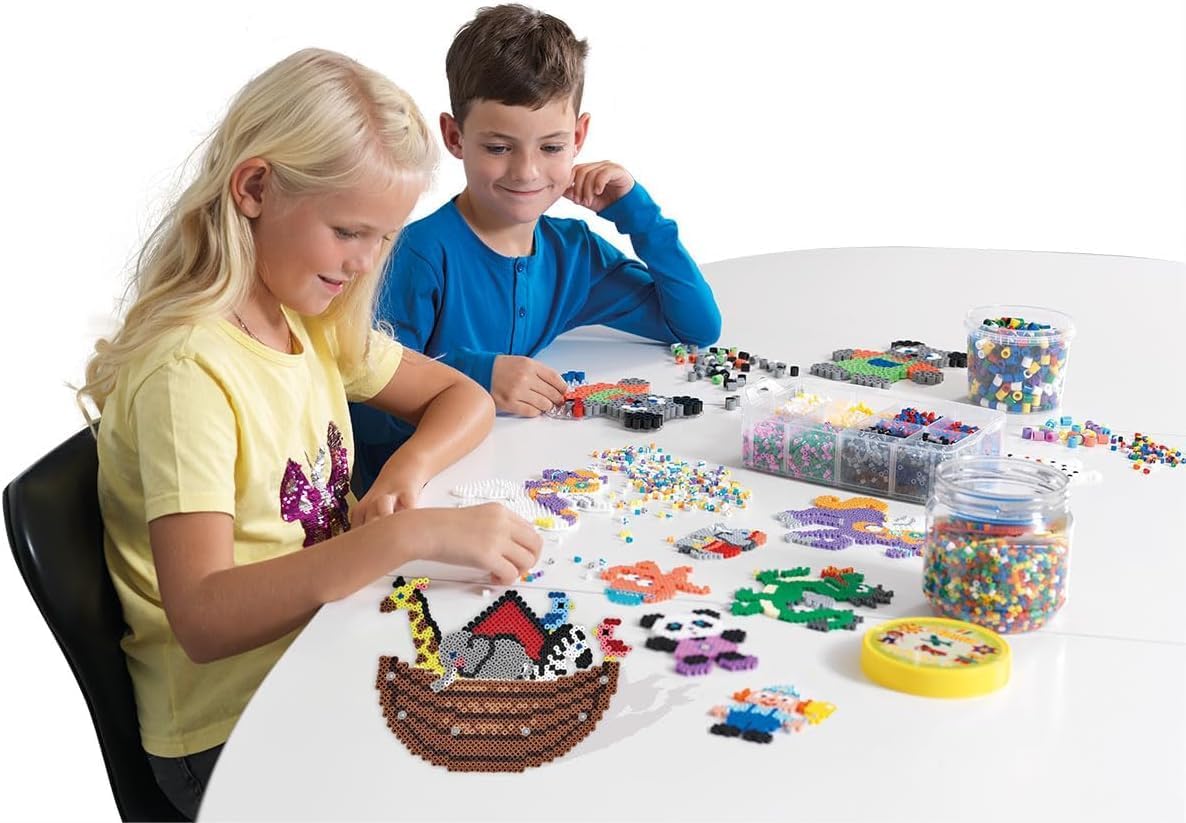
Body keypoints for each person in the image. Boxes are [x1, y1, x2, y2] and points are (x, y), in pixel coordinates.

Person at [79, 48, 542, 820]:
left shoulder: (306, 316)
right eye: (348, 231)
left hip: (322, 650)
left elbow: (462, 397)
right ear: (255, 188)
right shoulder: (188, 371)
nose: (364, 264)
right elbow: (204, 616)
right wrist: (406, 536)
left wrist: (406, 473)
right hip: (228, 731)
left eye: (383, 238)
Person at [349, 3, 722, 494]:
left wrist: (636, 212)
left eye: (551, 147)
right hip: (407, 496)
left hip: (504, 479)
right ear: (455, 137)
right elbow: (362, 408)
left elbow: (694, 326)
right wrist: (475, 378)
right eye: (498, 148)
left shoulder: (574, 256)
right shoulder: (417, 256)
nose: (526, 172)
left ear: (579, 137)